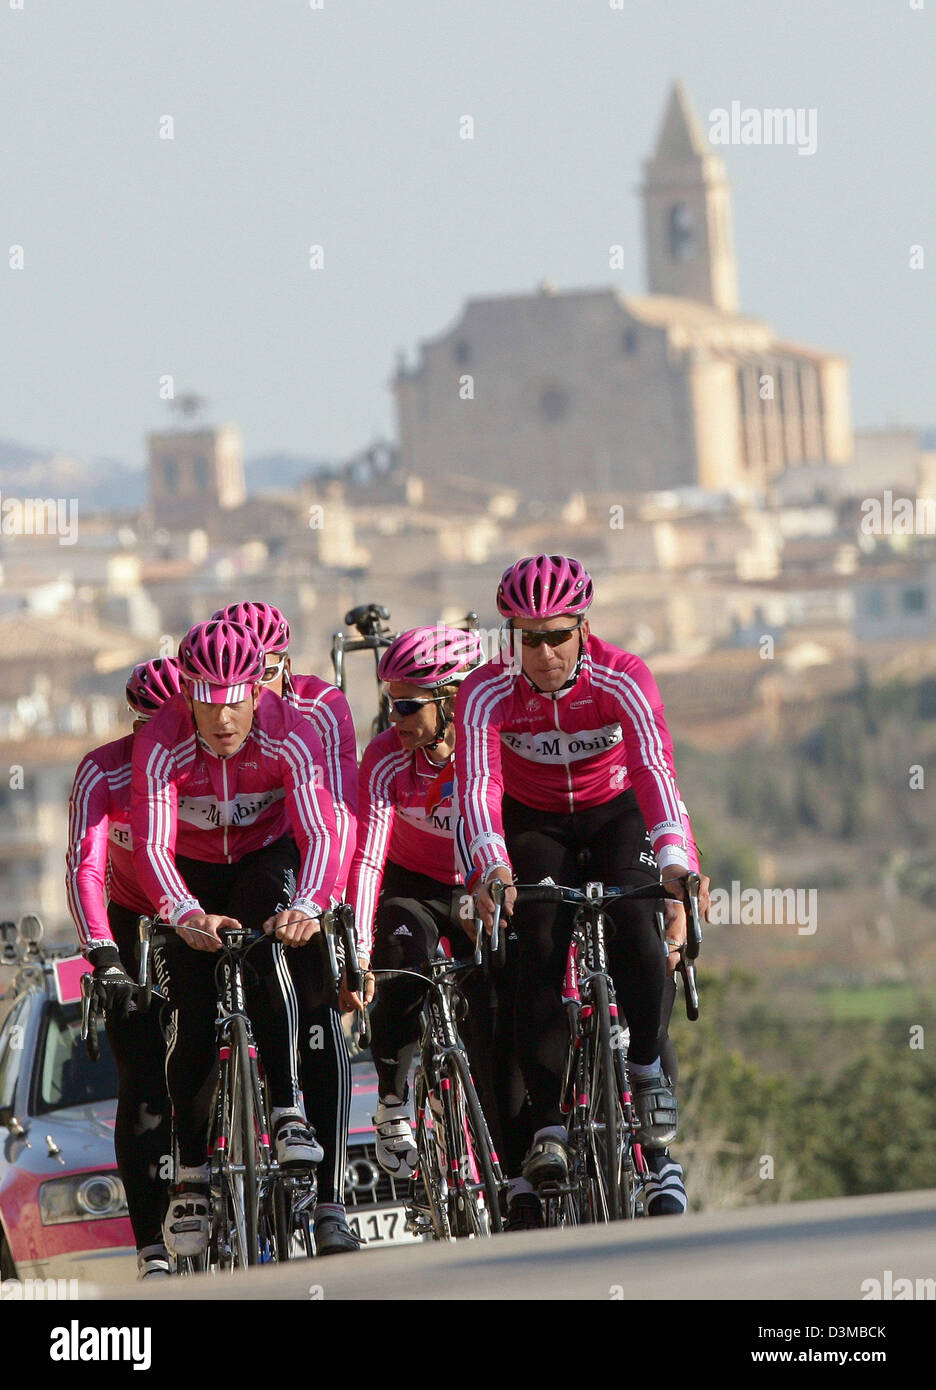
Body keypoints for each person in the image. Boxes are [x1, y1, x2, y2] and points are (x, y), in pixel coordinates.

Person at [456, 554, 710, 1228]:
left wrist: (677, 865)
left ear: (583, 628)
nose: (542, 653)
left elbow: (655, 769)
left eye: (557, 636)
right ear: (511, 635)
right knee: (536, 940)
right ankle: (548, 1126)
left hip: (616, 814)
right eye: (528, 638)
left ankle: (648, 1072)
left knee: (636, 926)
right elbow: (478, 788)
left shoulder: (624, 676)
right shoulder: (484, 691)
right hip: (534, 824)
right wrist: (492, 865)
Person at [130, 619, 341, 1259]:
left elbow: (323, 831)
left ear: (258, 691)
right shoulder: (162, 744)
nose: (223, 718)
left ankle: (285, 1108)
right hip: (190, 873)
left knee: (269, 941)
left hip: (261, 858)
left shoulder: (290, 732)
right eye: (207, 701)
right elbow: (150, 845)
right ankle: (191, 1173)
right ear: (187, 696)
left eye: (236, 700)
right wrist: (185, 913)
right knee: (194, 1016)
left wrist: (309, 903)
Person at [212, 599, 363, 1254]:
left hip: (302, 861)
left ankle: (330, 1203)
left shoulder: (317, 710)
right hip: (219, 871)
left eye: (266, 672)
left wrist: (341, 917)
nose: (253, 690)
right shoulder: (215, 723)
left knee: (318, 1012)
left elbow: (346, 812)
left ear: (286, 667)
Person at [345, 625, 509, 1177]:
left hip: (479, 884)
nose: (395, 721)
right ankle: (393, 1099)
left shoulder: (493, 745)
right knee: (397, 947)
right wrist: (359, 953)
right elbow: (367, 860)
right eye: (390, 705)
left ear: (452, 698)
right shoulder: (387, 758)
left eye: (408, 706)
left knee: (494, 992)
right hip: (412, 887)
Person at [66, 656, 183, 1279]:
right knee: (142, 1079)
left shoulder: (203, 758)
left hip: (208, 910)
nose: (157, 740)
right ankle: (151, 1248)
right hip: (134, 917)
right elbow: (85, 867)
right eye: (145, 726)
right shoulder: (104, 769)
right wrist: (104, 955)